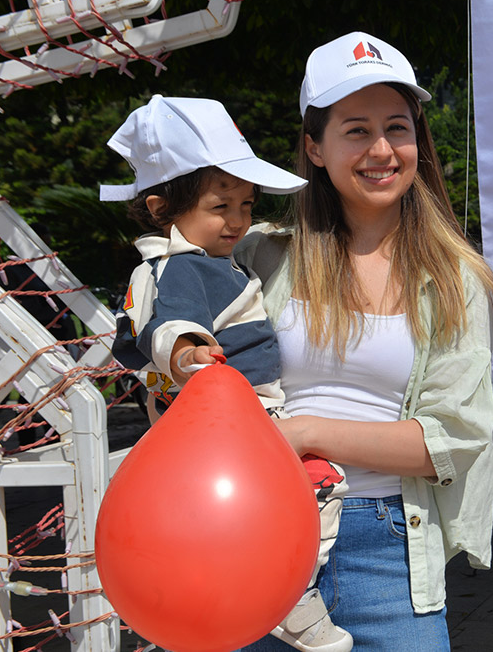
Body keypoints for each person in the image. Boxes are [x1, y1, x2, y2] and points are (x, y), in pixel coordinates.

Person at [234, 31, 493, 651]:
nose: (381, 149)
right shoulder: (260, 256)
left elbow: (450, 439)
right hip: (256, 534)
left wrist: (304, 432)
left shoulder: (454, 277)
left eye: (397, 127)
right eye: (356, 130)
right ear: (315, 146)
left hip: (387, 550)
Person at [105, 95, 354, 652]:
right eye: (222, 206)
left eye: (246, 204)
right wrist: (189, 355)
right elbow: (172, 325)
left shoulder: (203, 260)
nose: (238, 220)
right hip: (237, 417)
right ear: (161, 208)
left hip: (225, 419)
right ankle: (290, 595)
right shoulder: (182, 268)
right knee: (322, 483)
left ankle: (268, 587)